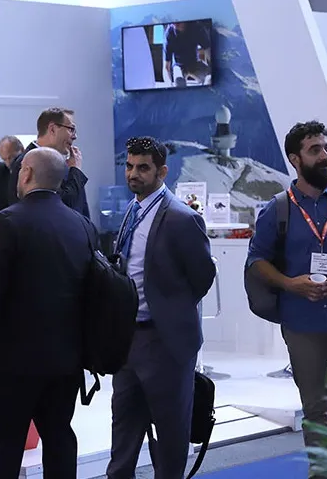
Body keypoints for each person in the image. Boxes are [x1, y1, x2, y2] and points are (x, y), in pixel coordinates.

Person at [246, 121, 327, 453]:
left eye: (326, 148)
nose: (324, 156)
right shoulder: (277, 209)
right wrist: (290, 284)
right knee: (315, 408)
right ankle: (322, 471)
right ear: (295, 159)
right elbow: (256, 260)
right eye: (314, 150)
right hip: (301, 323)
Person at [0, 147, 96, 479]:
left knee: (0, 451)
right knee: (59, 441)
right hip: (66, 363)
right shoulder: (82, 226)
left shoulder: (7, 222)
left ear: (26, 174)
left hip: (12, 366)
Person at [106, 136, 216, 479]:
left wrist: (171, 311)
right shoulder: (132, 210)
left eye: (143, 168)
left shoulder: (182, 218)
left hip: (165, 343)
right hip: (127, 340)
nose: (133, 174)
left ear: (162, 172)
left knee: (169, 438)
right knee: (123, 431)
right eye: (129, 166)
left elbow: (202, 277)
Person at [7, 108, 89, 217]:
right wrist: (76, 172)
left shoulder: (64, 163)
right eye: (71, 129)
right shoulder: (26, 163)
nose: (74, 136)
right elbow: (59, 209)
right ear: (52, 129)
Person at [163, 22, 212, 87]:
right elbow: (166, 66)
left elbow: (208, 51)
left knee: (210, 78)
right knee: (179, 82)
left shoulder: (197, 28)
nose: (176, 24)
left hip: (194, 63)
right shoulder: (170, 33)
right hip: (178, 66)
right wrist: (169, 85)